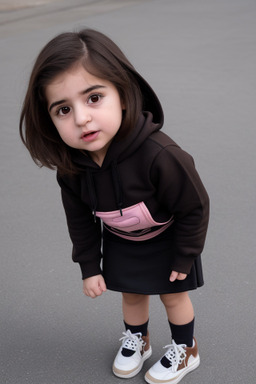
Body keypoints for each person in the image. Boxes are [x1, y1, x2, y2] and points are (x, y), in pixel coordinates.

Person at [19, 28, 209, 384]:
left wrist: (185, 255)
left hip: (169, 239)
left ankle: (186, 348)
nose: (81, 118)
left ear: (122, 94)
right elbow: (80, 222)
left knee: (173, 297)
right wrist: (90, 267)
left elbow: (194, 207)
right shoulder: (73, 170)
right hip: (122, 239)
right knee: (132, 295)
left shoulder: (162, 157)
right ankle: (138, 340)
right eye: (63, 109)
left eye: (93, 98)